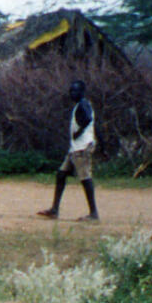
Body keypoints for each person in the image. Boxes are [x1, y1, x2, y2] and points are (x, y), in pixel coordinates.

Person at [38, 79, 99, 221]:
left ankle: (93, 213)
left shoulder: (83, 104)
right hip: (75, 148)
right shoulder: (83, 104)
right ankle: (54, 209)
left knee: (85, 178)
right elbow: (94, 124)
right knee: (61, 174)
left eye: (75, 90)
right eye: (71, 90)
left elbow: (89, 119)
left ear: (82, 92)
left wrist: (79, 132)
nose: (72, 93)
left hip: (81, 148)